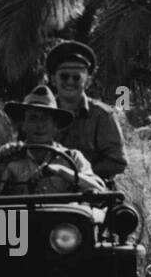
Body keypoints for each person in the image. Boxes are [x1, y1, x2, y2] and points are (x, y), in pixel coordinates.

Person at [0, 85, 107, 195]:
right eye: (33, 118)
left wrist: (62, 172)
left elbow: (100, 191)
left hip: (63, 221)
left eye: (45, 119)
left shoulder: (72, 158)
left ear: (55, 126)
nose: (39, 125)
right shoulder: (8, 156)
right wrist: (2, 163)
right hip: (20, 221)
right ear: (23, 125)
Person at [45, 40, 128, 183]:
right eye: (64, 76)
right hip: (45, 191)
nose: (70, 82)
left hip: (91, 193)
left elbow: (118, 162)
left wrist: (74, 174)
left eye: (77, 77)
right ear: (53, 80)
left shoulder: (102, 115)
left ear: (88, 82)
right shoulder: (41, 113)